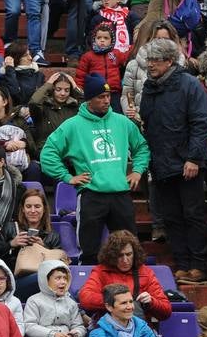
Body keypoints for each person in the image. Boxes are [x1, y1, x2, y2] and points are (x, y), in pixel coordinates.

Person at [41, 73, 148, 263]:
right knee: (89, 250)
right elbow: (48, 153)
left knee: (130, 249)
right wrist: (67, 177)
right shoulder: (72, 125)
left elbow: (142, 147)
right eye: (101, 97)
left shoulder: (122, 122)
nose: (107, 100)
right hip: (91, 194)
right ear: (89, 99)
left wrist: (138, 170)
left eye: (108, 96)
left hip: (120, 193)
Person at [140, 37, 207, 285]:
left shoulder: (190, 85)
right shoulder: (149, 87)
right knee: (171, 217)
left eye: (155, 60)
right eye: (149, 59)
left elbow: (201, 123)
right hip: (161, 163)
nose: (150, 65)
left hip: (187, 164)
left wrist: (193, 158)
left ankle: (199, 266)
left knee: (192, 214)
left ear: (169, 61)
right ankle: (182, 264)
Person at [76, 229, 173, 323]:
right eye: (120, 255)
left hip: (139, 330)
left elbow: (166, 311)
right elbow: (85, 298)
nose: (125, 260)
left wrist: (151, 302)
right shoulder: (101, 271)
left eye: (129, 254)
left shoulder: (146, 273)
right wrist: (116, 301)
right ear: (112, 255)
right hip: (108, 330)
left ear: (135, 254)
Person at [23, 259, 88, 337]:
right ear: (45, 280)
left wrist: (76, 333)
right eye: (58, 278)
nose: (62, 282)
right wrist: (53, 335)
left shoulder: (70, 302)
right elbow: (29, 326)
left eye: (65, 278)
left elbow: (79, 325)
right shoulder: (34, 300)